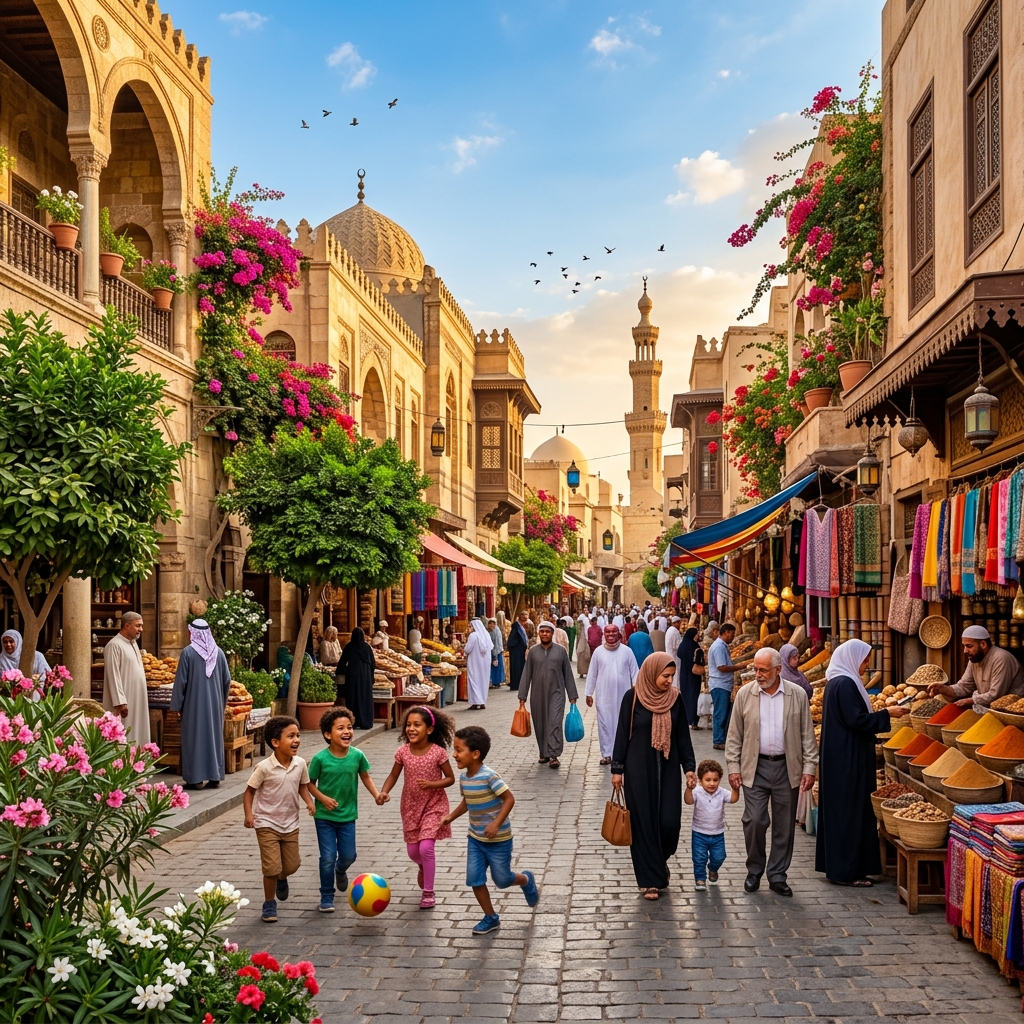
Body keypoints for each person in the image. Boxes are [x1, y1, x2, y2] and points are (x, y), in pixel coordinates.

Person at [816, 638, 910, 886]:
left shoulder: (837, 682)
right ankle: (847, 871)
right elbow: (856, 720)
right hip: (848, 759)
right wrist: (886, 714)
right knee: (850, 811)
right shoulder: (845, 684)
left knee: (845, 812)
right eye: (864, 659)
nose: (866, 665)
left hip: (843, 756)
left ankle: (845, 867)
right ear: (852, 658)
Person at [725, 647, 818, 896]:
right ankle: (754, 870)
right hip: (755, 767)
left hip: (788, 767)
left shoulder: (797, 695)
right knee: (754, 820)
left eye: (763, 670)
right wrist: (733, 767)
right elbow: (734, 736)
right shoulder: (745, 694)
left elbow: (807, 736)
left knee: (784, 825)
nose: (758, 674)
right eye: (755, 669)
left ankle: (777, 875)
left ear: (778, 670)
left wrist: (810, 768)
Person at [611, 652, 697, 899]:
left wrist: (689, 767)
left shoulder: (675, 699)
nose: (669, 680)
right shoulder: (633, 698)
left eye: (672, 676)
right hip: (638, 768)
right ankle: (650, 880)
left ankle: (660, 860)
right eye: (665, 676)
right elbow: (621, 734)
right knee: (643, 825)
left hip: (668, 768)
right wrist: (617, 769)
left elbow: (682, 736)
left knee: (669, 823)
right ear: (651, 673)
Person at [440, 725, 540, 934]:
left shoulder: (489, 776)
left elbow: (509, 798)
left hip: (499, 840)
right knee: (475, 879)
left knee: (502, 880)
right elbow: (467, 802)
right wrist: (450, 816)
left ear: (475, 754)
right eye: (454, 749)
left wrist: (495, 824)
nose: (454, 754)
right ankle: (491, 917)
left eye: (459, 750)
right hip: (475, 838)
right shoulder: (464, 778)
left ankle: (525, 879)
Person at [378, 706, 456, 909]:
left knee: (426, 847)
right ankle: (422, 865)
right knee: (414, 852)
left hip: (434, 805)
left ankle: (428, 892)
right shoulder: (402, 752)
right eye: (408, 725)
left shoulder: (438, 753)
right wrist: (384, 791)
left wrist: (433, 784)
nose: (411, 729)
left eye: (417, 725)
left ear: (429, 729)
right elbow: (394, 775)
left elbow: (450, 779)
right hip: (411, 806)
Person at [308, 707, 384, 913]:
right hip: (324, 816)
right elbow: (309, 783)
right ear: (327, 734)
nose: (346, 731)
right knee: (327, 857)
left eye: (349, 727)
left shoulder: (357, 755)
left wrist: (377, 794)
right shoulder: (320, 759)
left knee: (349, 856)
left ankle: (340, 870)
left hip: (348, 816)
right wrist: (322, 798)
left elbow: (365, 777)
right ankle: (326, 895)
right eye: (340, 728)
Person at [243, 715, 317, 922]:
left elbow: (303, 785)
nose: (296, 740)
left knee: (292, 865)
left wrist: (309, 802)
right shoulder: (264, 767)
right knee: (271, 868)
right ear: (275, 742)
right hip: (266, 823)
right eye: (291, 736)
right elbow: (249, 792)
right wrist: (249, 815)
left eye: (298, 735)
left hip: (291, 823)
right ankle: (269, 903)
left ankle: (283, 877)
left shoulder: (300, 763)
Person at [170, 619, 230, 788]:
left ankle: (195, 779)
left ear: (193, 633)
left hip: (193, 706)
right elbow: (227, 681)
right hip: (215, 706)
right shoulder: (219, 653)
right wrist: (220, 703)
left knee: (194, 738)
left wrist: (177, 706)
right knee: (213, 738)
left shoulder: (188, 653)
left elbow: (181, 682)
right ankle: (215, 776)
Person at [518, 621, 579, 769]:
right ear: (539, 633)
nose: (544, 634)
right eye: (542, 631)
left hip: (557, 693)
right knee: (540, 723)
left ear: (553, 633)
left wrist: (572, 694)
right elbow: (527, 674)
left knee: (554, 722)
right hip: (537, 694)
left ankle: (553, 755)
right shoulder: (533, 651)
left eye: (547, 631)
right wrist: (522, 696)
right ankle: (543, 753)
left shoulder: (561, 651)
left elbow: (568, 674)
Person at [927, 625, 1024, 708]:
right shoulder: (974, 659)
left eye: (969, 646)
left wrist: (970, 700)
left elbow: (996, 695)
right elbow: (964, 686)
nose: (965, 651)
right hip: (989, 710)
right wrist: (944, 689)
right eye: (964, 646)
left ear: (983, 644)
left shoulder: (1001, 658)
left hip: (1011, 712)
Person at [585, 624, 639, 766]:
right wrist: (588, 693)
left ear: (618, 633)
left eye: (613, 632)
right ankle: (607, 754)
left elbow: (635, 673)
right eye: (608, 632)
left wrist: (637, 691)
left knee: (623, 723)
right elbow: (592, 673)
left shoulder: (627, 651)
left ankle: (621, 753)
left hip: (624, 695)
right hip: (604, 697)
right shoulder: (598, 652)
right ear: (604, 634)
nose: (611, 634)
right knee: (605, 724)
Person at [685, 758, 740, 892]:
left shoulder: (722, 792)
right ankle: (700, 879)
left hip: (717, 834)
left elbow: (733, 799)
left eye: (715, 780)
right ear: (700, 780)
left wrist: (735, 789)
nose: (711, 783)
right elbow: (688, 801)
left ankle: (713, 868)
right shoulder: (697, 791)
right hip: (699, 833)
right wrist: (688, 789)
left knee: (720, 856)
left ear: (720, 780)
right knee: (699, 858)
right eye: (707, 780)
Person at [101, 613, 150, 744]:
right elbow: (113, 675)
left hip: (137, 698)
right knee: (124, 733)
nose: (141, 629)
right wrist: (120, 702)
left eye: (141, 626)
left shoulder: (133, 643)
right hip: (124, 701)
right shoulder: (114, 645)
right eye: (138, 626)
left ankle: (138, 760)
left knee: (138, 729)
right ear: (126, 626)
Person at [707, 623, 752, 750]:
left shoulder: (722, 646)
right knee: (720, 712)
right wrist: (740, 666)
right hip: (719, 684)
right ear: (725, 632)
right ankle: (718, 740)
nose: (733, 637)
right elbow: (722, 667)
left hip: (723, 684)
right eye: (732, 634)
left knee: (724, 712)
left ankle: (722, 738)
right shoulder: (719, 647)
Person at [336, 627, 376, 729]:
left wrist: (340, 672)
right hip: (365, 677)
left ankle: (354, 722)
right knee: (364, 698)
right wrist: (371, 676)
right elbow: (373, 664)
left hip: (352, 677)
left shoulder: (350, 647)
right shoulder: (367, 647)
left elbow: (342, 662)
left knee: (353, 698)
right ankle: (365, 722)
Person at [464, 618, 492, 710]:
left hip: (474, 662)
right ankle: (482, 701)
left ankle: (475, 702)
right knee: (483, 681)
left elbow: (467, 649)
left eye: (471, 626)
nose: (470, 628)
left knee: (474, 680)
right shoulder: (486, 635)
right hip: (485, 663)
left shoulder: (473, 636)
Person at [678, 626, 702, 728]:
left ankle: (686, 719)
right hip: (693, 675)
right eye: (696, 634)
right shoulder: (694, 646)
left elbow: (679, 654)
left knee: (686, 696)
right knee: (694, 696)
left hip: (684, 674)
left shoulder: (683, 644)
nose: (697, 636)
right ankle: (693, 721)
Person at [507, 612, 529, 692]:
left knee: (520, 667)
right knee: (516, 667)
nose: (525, 618)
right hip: (516, 650)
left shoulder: (522, 626)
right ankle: (516, 684)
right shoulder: (516, 626)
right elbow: (512, 639)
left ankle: (519, 684)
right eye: (523, 616)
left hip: (521, 650)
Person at [487, 616, 505, 688]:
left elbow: (497, 644)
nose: (491, 625)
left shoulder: (496, 632)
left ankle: (496, 682)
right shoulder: (488, 631)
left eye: (493, 624)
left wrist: (495, 655)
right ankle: (493, 681)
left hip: (496, 651)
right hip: (490, 652)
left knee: (496, 667)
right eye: (490, 623)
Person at [665, 616, 682, 686]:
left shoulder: (669, 630)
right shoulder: (675, 631)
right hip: (674, 656)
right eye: (678, 623)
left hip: (669, 655)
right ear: (675, 623)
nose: (679, 625)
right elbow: (677, 646)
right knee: (676, 674)